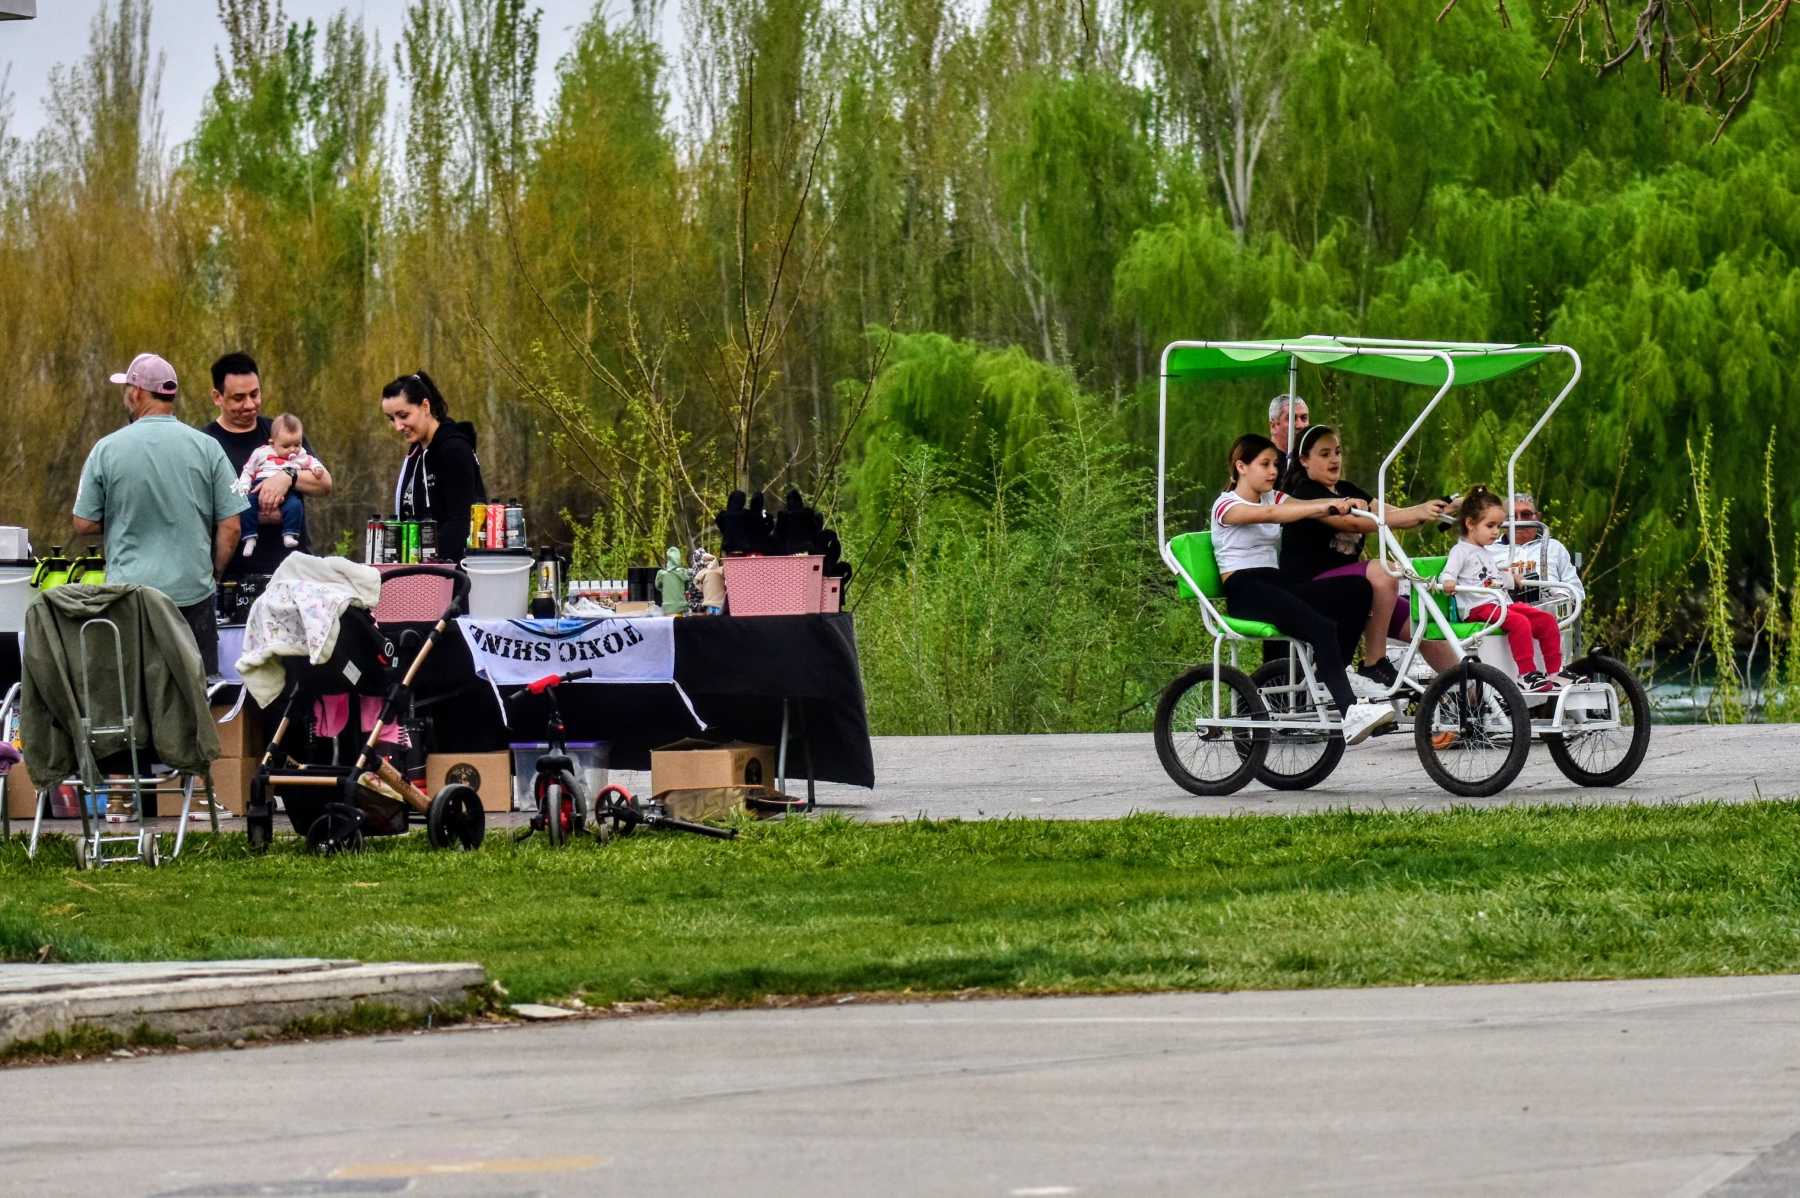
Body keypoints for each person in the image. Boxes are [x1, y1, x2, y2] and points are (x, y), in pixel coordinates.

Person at [1211, 433, 1394, 745]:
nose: (1273, 471)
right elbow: (1274, 515)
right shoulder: (1227, 505)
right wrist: (1328, 507)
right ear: (1241, 466)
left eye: (1276, 464)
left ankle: (1333, 673)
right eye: (1265, 464)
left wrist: (1339, 504)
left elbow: (1303, 504)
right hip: (1246, 589)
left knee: (1358, 589)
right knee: (1320, 628)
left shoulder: (1274, 497)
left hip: (1273, 582)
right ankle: (1349, 712)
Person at [72, 353, 245, 676]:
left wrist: (128, 514)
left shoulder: (106, 449)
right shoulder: (207, 447)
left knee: (132, 699)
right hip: (193, 595)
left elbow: (83, 522)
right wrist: (214, 573)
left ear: (136, 392)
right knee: (196, 695)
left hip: (128, 598)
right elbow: (232, 526)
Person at [1278, 425, 1455, 687]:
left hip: (1353, 586)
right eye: (1325, 454)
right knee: (1384, 570)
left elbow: (1394, 513)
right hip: (1309, 586)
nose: (1334, 459)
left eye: (1337, 452)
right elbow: (1356, 524)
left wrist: (1441, 508)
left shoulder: (1347, 489)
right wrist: (1415, 513)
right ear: (1304, 460)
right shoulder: (1306, 494)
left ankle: (1475, 694)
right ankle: (1374, 663)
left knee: (1424, 626)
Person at [202, 352, 334, 578]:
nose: (250, 404)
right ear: (217, 397)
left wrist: (287, 476)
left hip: (291, 570)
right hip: (234, 574)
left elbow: (325, 484)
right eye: (238, 398)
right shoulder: (204, 443)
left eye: (255, 394)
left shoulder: (281, 433)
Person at [1439, 487, 1577, 693]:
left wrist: (1512, 579)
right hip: (1477, 607)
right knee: (1519, 622)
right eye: (1490, 526)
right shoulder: (1461, 551)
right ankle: (1526, 674)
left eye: (1498, 525)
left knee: (1545, 620)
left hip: (1498, 603)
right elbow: (1448, 575)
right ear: (1470, 524)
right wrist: (1448, 581)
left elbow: (1493, 577)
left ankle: (1555, 672)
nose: (1496, 531)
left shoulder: (1485, 551)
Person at [380, 370, 486, 562]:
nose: (397, 426)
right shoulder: (416, 454)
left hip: (453, 573)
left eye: (403, 415)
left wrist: (431, 564)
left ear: (425, 406)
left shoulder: (455, 449)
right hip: (419, 569)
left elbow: (461, 522)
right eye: (391, 419)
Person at [234, 413, 328, 557]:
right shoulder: (261, 452)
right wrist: (244, 486)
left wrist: (316, 469)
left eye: (297, 444)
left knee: (295, 506)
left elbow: (312, 463)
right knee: (247, 506)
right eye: (286, 446)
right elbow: (248, 471)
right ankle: (250, 537)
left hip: (288, 491)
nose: (292, 450)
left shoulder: (300, 454)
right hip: (259, 485)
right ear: (273, 443)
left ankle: (289, 534)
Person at [1504, 491, 1585, 607]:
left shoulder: (1554, 547)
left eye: (1525, 514)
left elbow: (1577, 592)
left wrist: (1557, 598)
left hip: (1549, 613)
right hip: (1502, 614)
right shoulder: (1489, 550)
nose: (1518, 521)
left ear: (1537, 517)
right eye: (1511, 516)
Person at [1268, 393, 1309, 478]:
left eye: (1304, 418)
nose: (1300, 425)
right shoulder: (1262, 464)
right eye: (1292, 419)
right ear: (1273, 426)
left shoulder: (1309, 463)